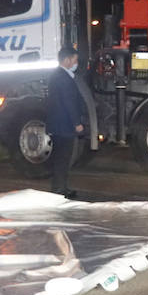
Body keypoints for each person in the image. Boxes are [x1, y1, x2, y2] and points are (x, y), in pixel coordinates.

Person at [46, 46, 86, 197]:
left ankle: (60, 187)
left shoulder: (59, 75)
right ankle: (59, 189)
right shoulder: (63, 78)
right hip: (63, 125)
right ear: (67, 60)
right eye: (75, 60)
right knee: (63, 159)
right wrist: (77, 123)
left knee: (61, 158)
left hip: (59, 124)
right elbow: (69, 102)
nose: (76, 63)